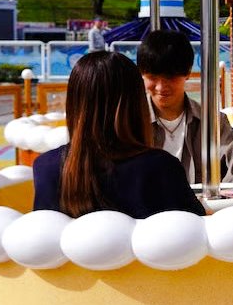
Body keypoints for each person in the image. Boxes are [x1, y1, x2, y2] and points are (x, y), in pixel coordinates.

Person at [32, 51, 203, 218]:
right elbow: (196, 231)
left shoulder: (46, 167)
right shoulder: (161, 167)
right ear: (136, 104)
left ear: (74, 103)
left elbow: (44, 236)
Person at [137, 30, 233, 187]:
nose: (161, 87)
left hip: (201, 210)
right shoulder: (131, 121)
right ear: (142, 74)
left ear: (187, 73)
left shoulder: (212, 121)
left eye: (170, 77)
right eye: (152, 77)